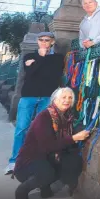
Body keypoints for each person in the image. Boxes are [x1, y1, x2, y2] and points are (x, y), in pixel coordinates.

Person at [13, 87, 90, 199]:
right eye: (63, 97)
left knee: (72, 161)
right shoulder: (44, 117)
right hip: (28, 162)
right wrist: (74, 138)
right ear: (55, 100)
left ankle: (45, 187)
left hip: (45, 157)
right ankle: (21, 192)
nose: (67, 100)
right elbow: (48, 146)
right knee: (47, 173)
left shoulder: (67, 117)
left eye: (70, 98)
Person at [5, 32, 65, 175]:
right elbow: (30, 73)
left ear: (52, 42)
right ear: (37, 41)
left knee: (42, 129)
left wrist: (38, 62)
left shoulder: (58, 58)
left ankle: (35, 160)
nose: (44, 42)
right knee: (21, 128)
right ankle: (14, 161)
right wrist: (40, 59)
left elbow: (53, 75)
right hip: (28, 96)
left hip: (47, 97)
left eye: (47, 40)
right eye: (41, 40)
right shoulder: (28, 56)